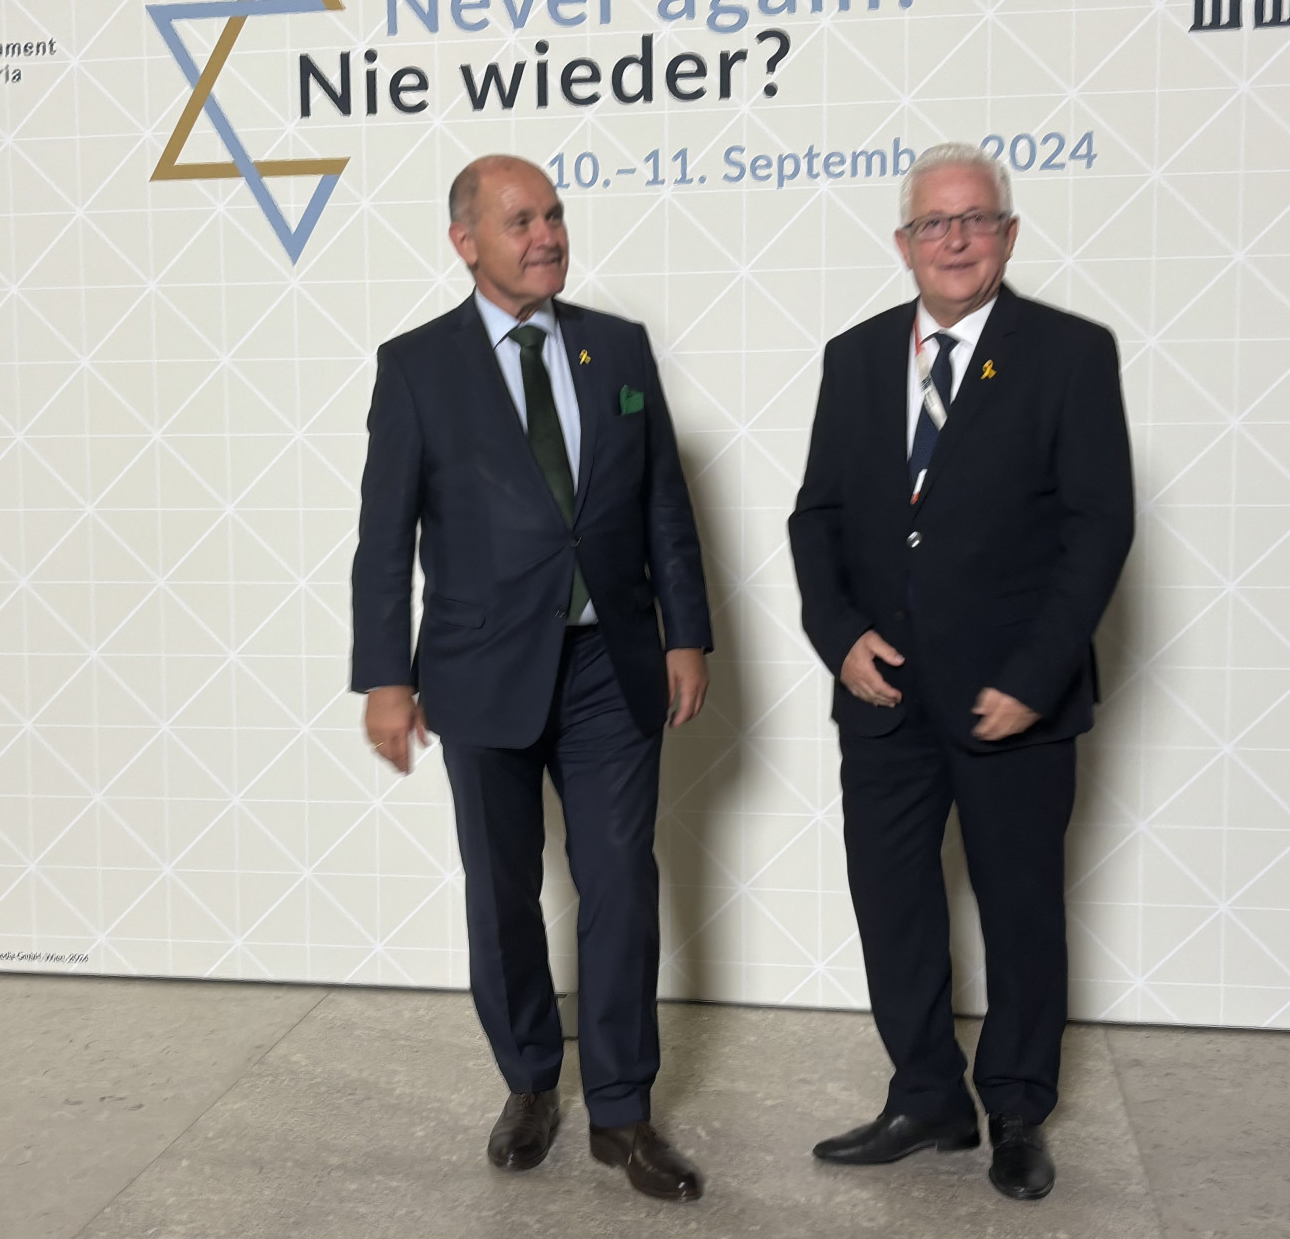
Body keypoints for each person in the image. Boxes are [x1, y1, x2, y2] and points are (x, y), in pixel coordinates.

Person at [351, 155, 713, 1202]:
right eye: (520, 221)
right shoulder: (416, 367)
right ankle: (528, 1081)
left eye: (553, 214)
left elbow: (663, 502)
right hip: (479, 667)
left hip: (610, 662)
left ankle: (623, 1110)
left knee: (620, 880)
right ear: (465, 241)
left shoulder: (618, 347)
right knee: (502, 889)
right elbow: (385, 536)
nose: (547, 234)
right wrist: (384, 677)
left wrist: (686, 633)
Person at [788, 143, 1134, 1201]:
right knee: (892, 902)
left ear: (1009, 235)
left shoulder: (1069, 353)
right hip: (883, 696)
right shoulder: (855, 357)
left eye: (975, 219)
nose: (955, 238)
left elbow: (1099, 526)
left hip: (1010, 700)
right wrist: (840, 637)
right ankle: (927, 1095)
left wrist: (1037, 674)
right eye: (934, 222)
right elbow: (817, 517)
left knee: (1020, 908)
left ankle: (1019, 1109)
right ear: (904, 243)